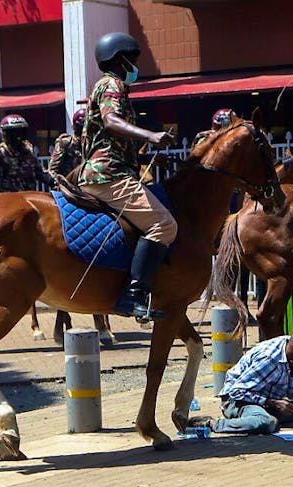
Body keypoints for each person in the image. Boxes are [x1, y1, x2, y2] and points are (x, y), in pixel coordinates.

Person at [79, 32, 177, 322]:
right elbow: (110, 122)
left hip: (107, 169)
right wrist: (150, 135)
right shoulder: (113, 84)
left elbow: (107, 141)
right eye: (132, 59)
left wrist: (146, 157)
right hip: (108, 175)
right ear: (119, 59)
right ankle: (132, 296)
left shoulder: (105, 86)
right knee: (164, 225)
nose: (135, 65)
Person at [196, 330, 293, 434]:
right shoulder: (268, 360)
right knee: (268, 423)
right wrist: (274, 403)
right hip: (237, 402)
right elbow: (236, 392)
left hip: (266, 401)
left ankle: (258, 418)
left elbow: (286, 381)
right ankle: (212, 423)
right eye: (292, 359)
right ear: (289, 346)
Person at [0, 114, 58, 194]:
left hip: (30, 196)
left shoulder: (28, 150)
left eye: (20, 132)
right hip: (9, 199)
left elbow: (40, 172)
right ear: (6, 133)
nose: (17, 136)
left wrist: (54, 181)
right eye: (13, 133)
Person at [49, 108, 86, 181]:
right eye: (80, 128)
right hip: (68, 185)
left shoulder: (92, 144)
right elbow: (52, 169)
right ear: (74, 127)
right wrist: (60, 182)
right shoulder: (66, 143)